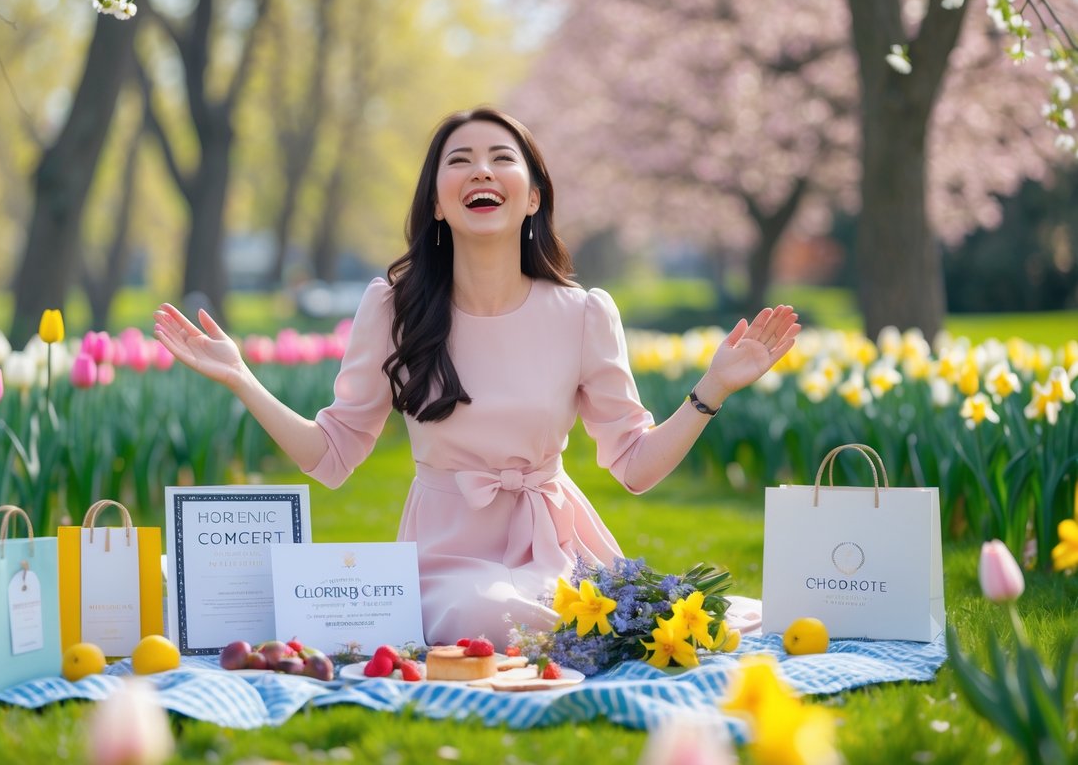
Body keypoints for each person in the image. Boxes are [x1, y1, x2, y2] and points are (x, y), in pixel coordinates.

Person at [153, 107, 800, 648]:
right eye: (458, 160)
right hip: (444, 555)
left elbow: (634, 466)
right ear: (436, 200)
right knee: (482, 615)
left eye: (500, 157)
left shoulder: (582, 312)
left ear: (533, 195)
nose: (481, 169)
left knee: (590, 612)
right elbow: (331, 455)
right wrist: (240, 378)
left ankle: (590, 624)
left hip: (557, 544)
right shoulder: (392, 305)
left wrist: (711, 388)